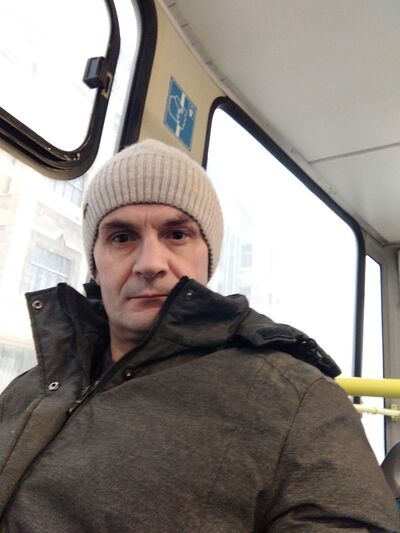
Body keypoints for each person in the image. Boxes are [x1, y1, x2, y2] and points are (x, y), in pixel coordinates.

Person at [0, 139, 398, 532]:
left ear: (208, 257)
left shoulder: (295, 399)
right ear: (95, 263)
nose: (150, 263)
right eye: (122, 238)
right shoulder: (37, 382)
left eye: (176, 235)